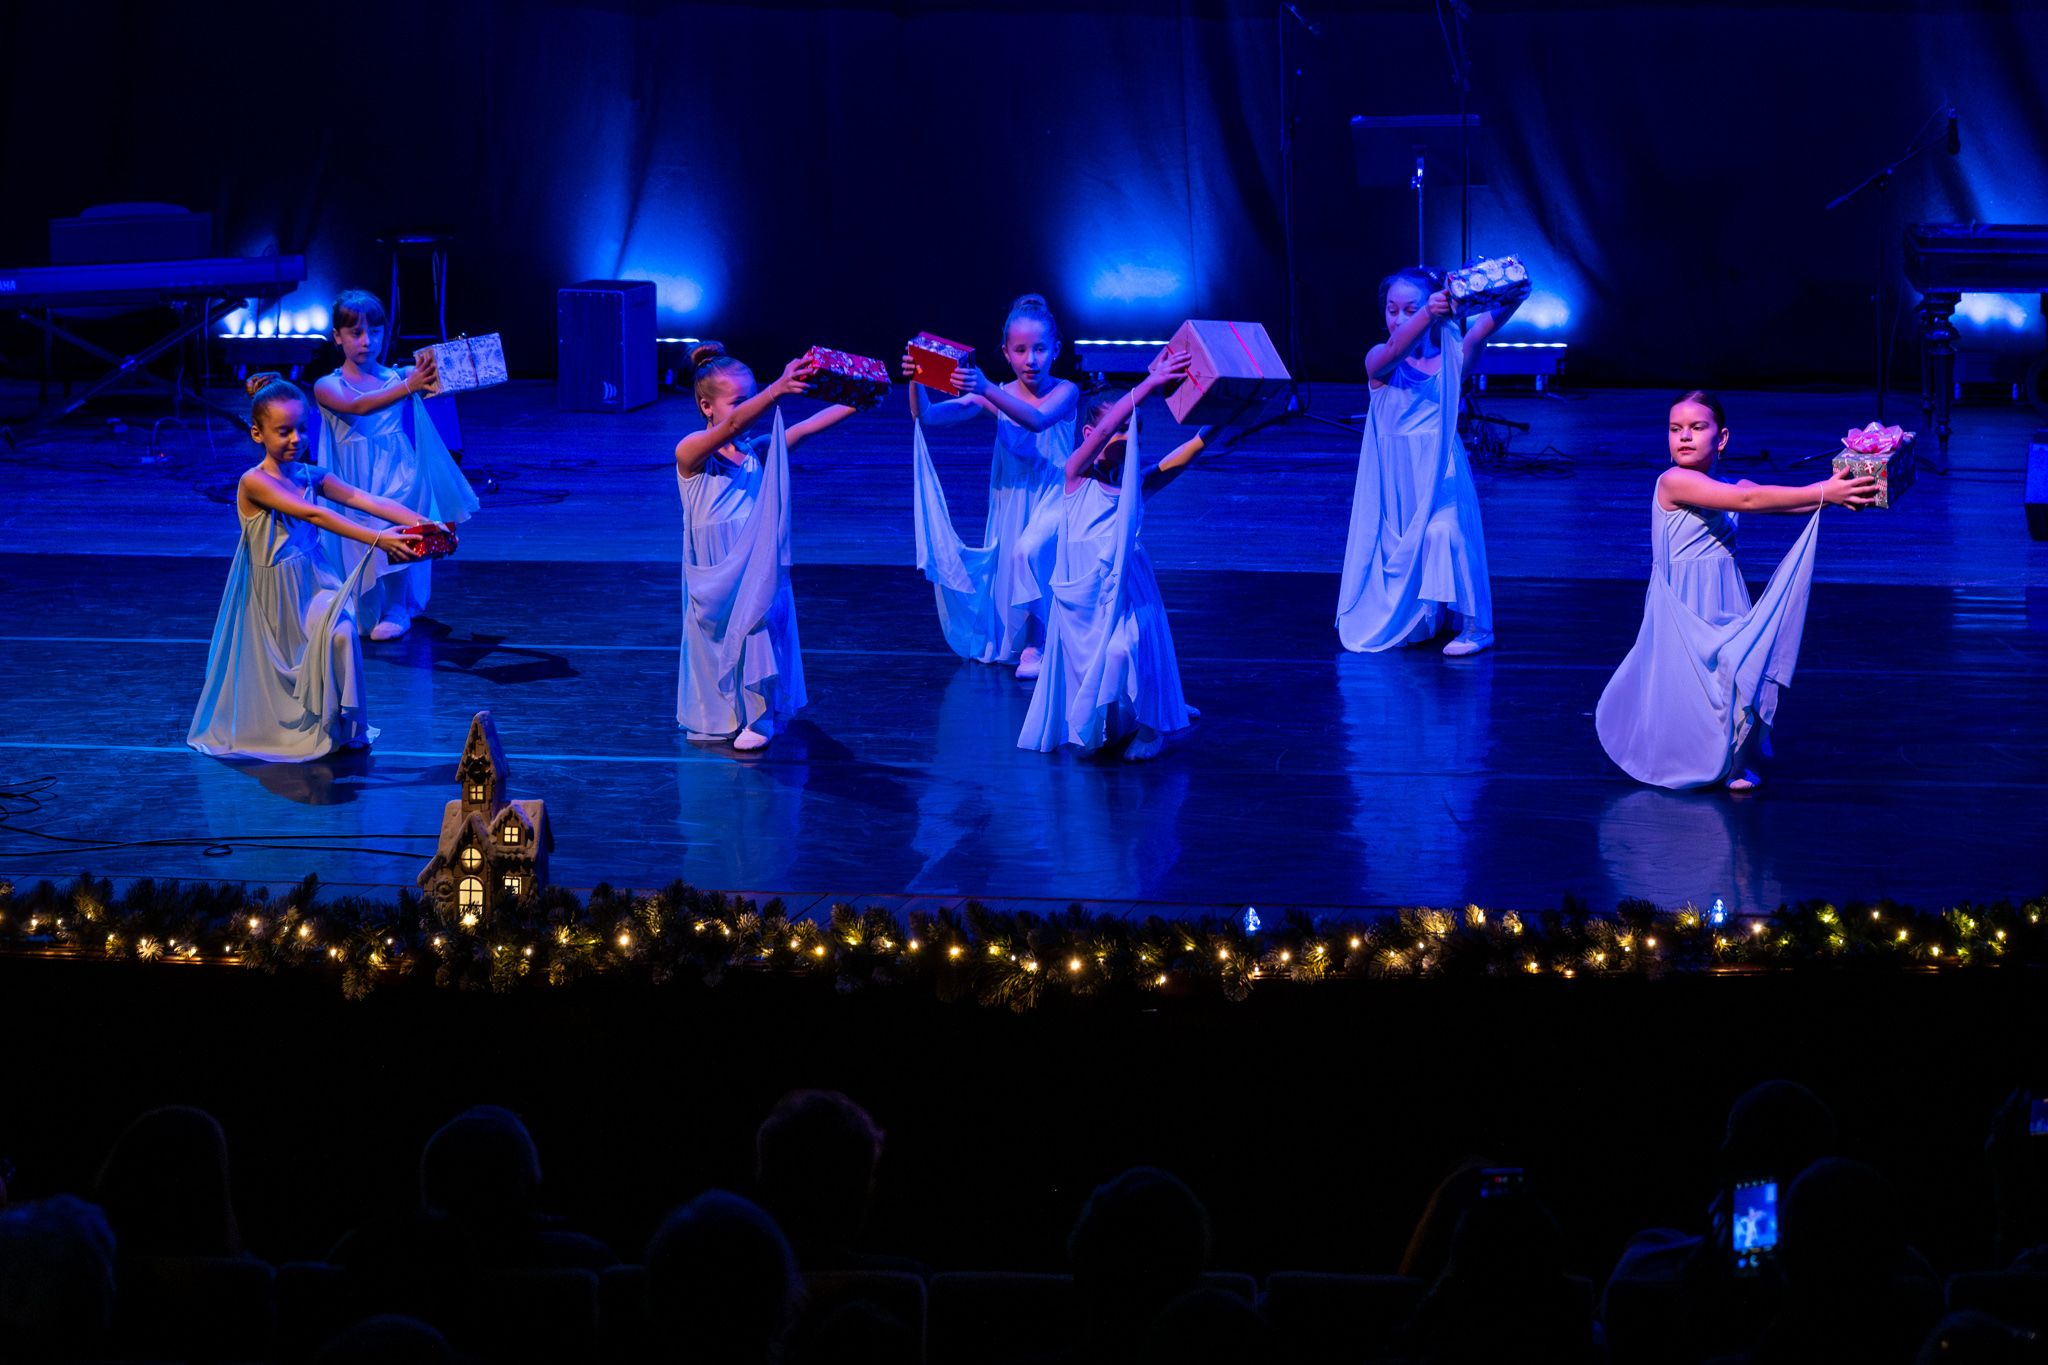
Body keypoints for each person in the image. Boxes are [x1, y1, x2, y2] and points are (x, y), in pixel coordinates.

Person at [1596, 391, 1876, 790]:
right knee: (1695, 683)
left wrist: (1835, 492)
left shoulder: (1728, 483)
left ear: (1722, 438)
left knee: (1743, 666)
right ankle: (1694, 755)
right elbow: (1748, 499)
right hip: (1683, 603)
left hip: (1723, 596)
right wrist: (1822, 492)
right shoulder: (1673, 481)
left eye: (1697, 427)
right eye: (1675, 429)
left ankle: (1738, 760)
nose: (1684, 436)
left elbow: (1778, 502)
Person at [188, 375, 429, 761]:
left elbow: (366, 499)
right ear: (257, 434)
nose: (296, 439)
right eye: (284, 431)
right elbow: (314, 515)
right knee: (293, 667)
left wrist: (426, 524)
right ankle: (304, 727)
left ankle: (345, 726)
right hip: (277, 596)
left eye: (301, 429)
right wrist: (377, 538)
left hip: (315, 581)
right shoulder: (254, 482)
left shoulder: (310, 476)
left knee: (342, 633)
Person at [1018, 352, 1206, 760]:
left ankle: (1153, 727)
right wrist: (1148, 385)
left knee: (1124, 651)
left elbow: (1179, 459)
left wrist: (1215, 427)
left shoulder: (1135, 484)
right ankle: (1121, 720)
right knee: (1098, 669)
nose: (1126, 436)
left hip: (1127, 589)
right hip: (1086, 597)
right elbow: (1105, 429)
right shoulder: (1075, 475)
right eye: (1121, 428)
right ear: (1090, 435)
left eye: (1133, 430)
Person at [674, 342, 859, 750]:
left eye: (753, 397)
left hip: (754, 563)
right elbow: (732, 426)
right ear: (707, 407)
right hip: (716, 570)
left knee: (756, 625)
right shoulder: (690, 453)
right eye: (740, 402)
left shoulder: (754, 452)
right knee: (718, 639)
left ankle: (760, 716)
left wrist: (860, 400)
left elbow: (807, 428)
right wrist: (776, 389)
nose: (751, 408)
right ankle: (723, 714)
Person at [1337, 267, 1523, 657]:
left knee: (1445, 532)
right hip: (1399, 476)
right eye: (1392, 310)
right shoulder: (1380, 359)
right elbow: (1394, 350)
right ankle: (1425, 614)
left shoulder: (1451, 358)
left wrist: (1513, 295)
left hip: (1441, 469)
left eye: (1410, 309)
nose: (1398, 318)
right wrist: (1426, 313)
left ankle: (1476, 627)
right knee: (1408, 551)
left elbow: (1480, 332)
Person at [905, 293, 1079, 676]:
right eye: (1021, 350)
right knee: (1016, 561)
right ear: (1006, 353)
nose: (1031, 360)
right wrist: (918, 377)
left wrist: (985, 388)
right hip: (1011, 500)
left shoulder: (1065, 391)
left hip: (1054, 496)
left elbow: (1037, 420)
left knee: (1028, 552)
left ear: (1056, 349)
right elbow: (927, 416)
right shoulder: (995, 394)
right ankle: (1026, 639)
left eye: (1040, 349)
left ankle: (1038, 644)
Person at [312, 289, 478, 640]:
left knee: (398, 529)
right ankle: (363, 604)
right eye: (356, 333)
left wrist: (458, 361)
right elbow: (358, 406)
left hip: (396, 470)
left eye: (375, 332)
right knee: (360, 538)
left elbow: (452, 376)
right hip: (353, 476)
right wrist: (408, 385)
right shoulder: (327, 385)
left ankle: (397, 607)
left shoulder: (397, 376)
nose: (366, 341)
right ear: (337, 337)